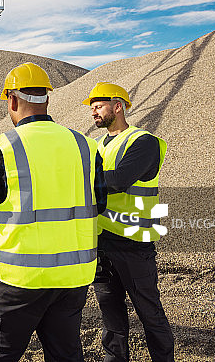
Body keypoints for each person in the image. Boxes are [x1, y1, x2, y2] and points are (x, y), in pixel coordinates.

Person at [0, 62, 107, 362]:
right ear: (47, 98)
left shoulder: (2, 147)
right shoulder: (85, 145)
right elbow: (101, 203)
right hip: (73, 277)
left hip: (17, 279)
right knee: (65, 355)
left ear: (13, 100)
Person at [83, 82, 174, 362]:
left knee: (149, 312)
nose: (93, 113)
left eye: (98, 107)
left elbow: (119, 181)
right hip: (102, 241)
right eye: (92, 108)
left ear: (118, 106)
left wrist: (76, 182)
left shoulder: (143, 142)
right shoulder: (97, 145)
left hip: (134, 242)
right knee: (110, 314)